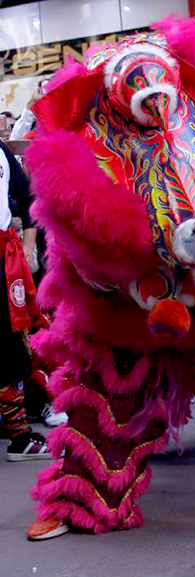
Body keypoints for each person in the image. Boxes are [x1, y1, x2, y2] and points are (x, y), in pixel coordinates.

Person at [0, 139, 53, 461]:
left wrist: (29, 246)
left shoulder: (2, 151)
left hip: (3, 259)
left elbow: (27, 197)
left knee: (10, 344)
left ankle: (20, 437)